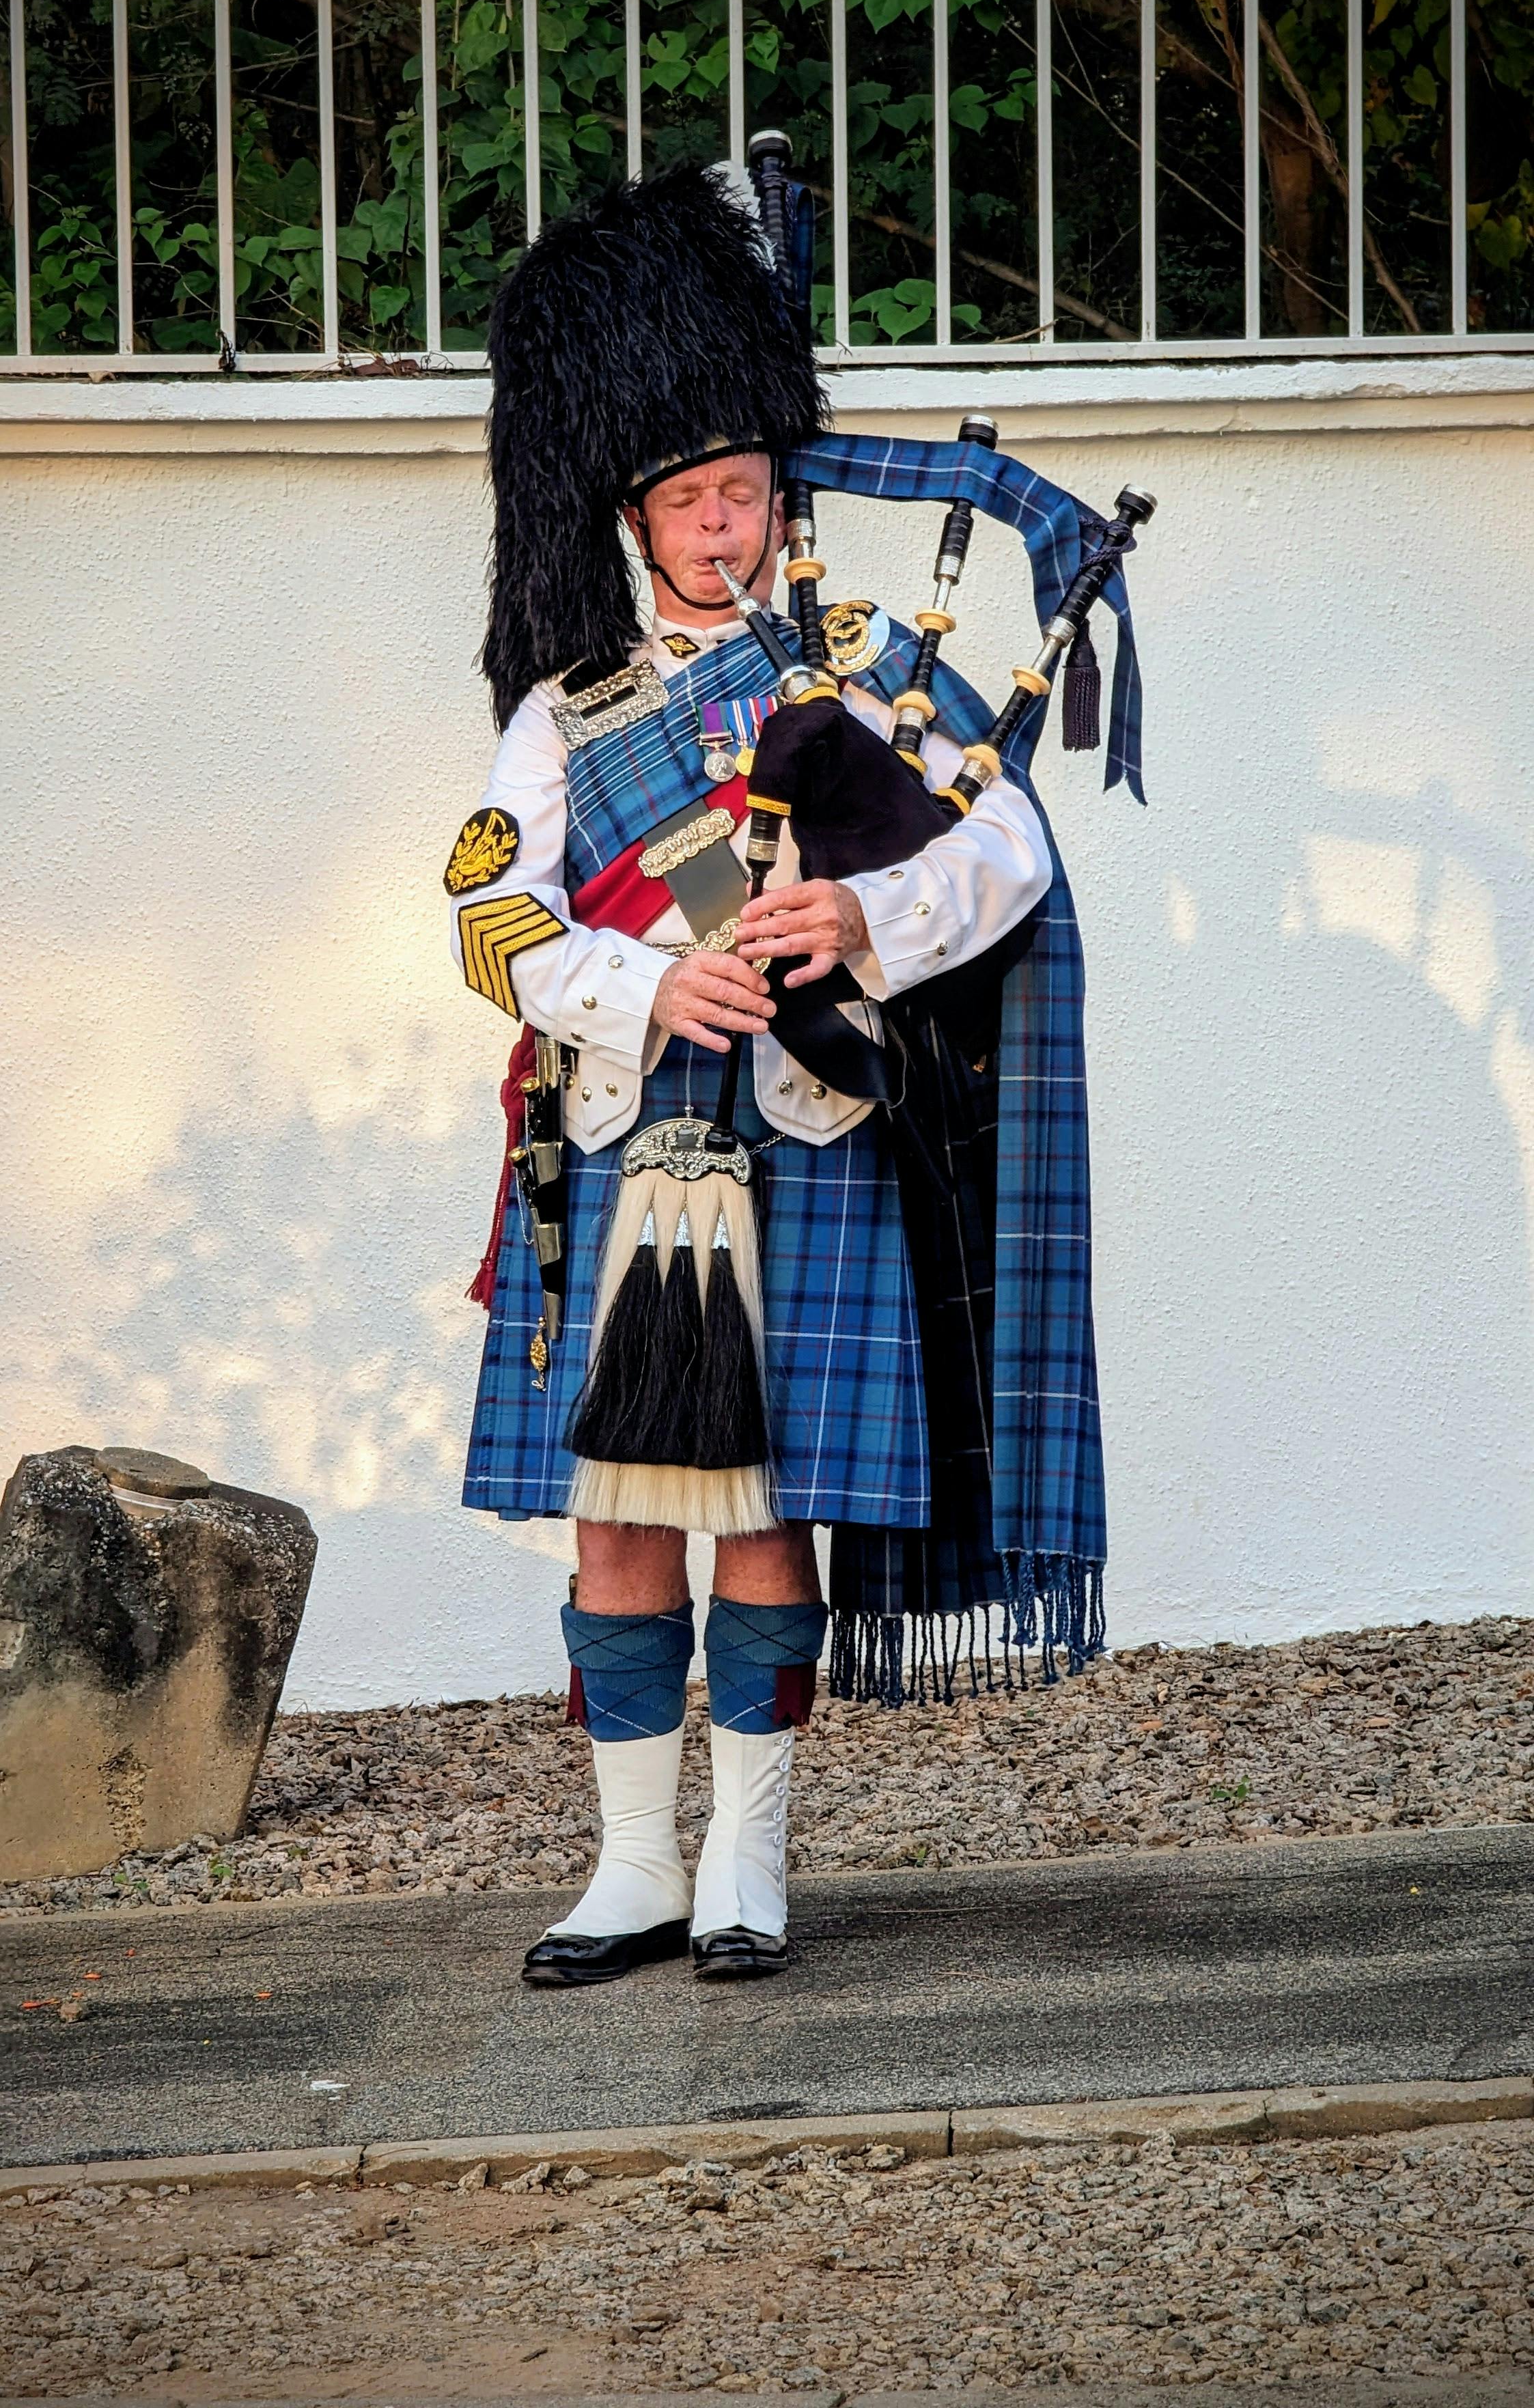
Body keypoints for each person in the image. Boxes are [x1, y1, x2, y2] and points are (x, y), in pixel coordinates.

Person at [446, 156, 1129, 1987]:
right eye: (689, 499)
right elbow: (487, 921)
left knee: (761, 1510)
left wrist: (860, 917)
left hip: (807, 1135)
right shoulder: (567, 709)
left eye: (745, 490)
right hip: (621, 1131)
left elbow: (1012, 854)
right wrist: (643, 982)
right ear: (634, 514)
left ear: (775, 491)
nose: (722, 525)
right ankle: (631, 1869)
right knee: (615, 1515)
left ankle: (747, 1862)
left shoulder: (869, 667)